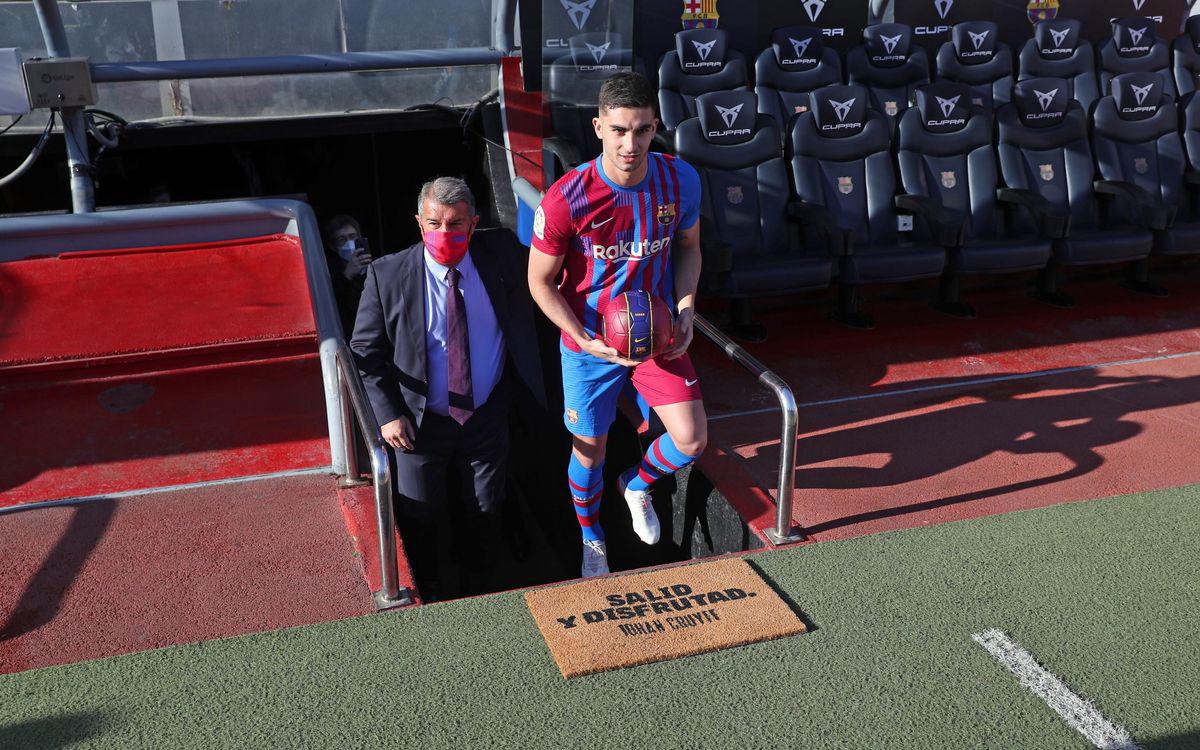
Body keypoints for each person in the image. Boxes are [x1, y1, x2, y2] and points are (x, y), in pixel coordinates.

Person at [527, 71, 708, 578]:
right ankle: (592, 537)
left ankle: (636, 483)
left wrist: (687, 308)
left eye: (643, 130)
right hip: (589, 341)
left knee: (692, 440)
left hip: (656, 331)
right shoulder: (566, 197)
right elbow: (540, 283)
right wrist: (583, 337)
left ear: (655, 127)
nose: (631, 143)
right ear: (599, 127)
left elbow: (689, 249)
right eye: (620, 130)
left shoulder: (681, 179)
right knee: (589, 453)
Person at [351, 177, 545, 599]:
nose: (445, 234)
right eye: (434, 223)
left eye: (456, 224)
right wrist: (386, 414)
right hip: (418, 427)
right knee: (421, 517)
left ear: (474, 224)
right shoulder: (387, 275)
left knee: (485, 511)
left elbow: (554, 261)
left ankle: (480, 593)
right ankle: (432, 593)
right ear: (419, 223)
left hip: (486, 418)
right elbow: (364, 350)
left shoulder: (503, 255)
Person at [323, 214, 374, 337]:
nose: (349, 243)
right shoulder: (329, 273)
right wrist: (347, 276)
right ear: (333, 246)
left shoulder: (375, 266)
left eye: (352, 237)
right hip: (352, 334)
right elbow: (334, 307)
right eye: (342, 240)